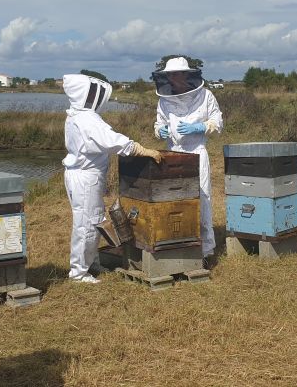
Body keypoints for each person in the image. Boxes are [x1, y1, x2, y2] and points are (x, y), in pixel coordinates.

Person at [63, 73, 162, 283]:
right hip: (86, 177)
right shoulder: (87, 119)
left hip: (80, 175)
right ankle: (79, 273)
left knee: (90, 221)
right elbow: (112, 141)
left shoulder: (74, 115)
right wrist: (139, 148)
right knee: (87, 224)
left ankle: (89, 263)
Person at [152, 56, 223, 266]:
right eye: (169, 75)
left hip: (197, 152)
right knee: (175, 202)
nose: (172, 78)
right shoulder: (164, 100)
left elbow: (217, 122)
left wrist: (201, 127)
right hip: (173, 153)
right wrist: (161, 131)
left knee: (202, 199)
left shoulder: (206, 95)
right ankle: (178, 246)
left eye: (176, 73)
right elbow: (158, 125)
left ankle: (206, 250)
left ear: (186, 74)